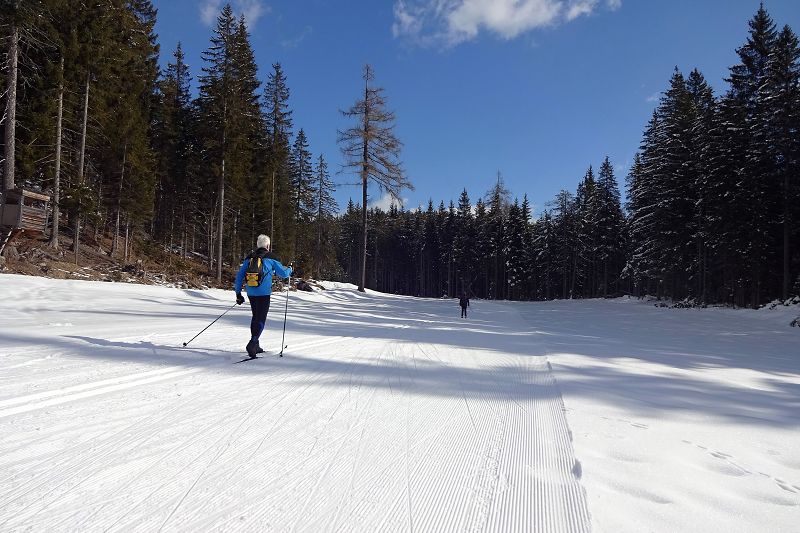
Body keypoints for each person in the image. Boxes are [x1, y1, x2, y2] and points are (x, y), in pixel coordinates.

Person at [234, 234, 292, 357]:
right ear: (268, 245)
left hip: (251, 292)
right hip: (264, 293)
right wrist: (290, 269)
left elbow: (239, 276)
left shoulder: (249, 257)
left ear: (257, 245)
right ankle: (253, 342)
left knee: (255, 316)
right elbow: (283, 273)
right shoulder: (271, 257)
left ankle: (256, 344)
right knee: (261, 318)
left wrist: (238, 293)